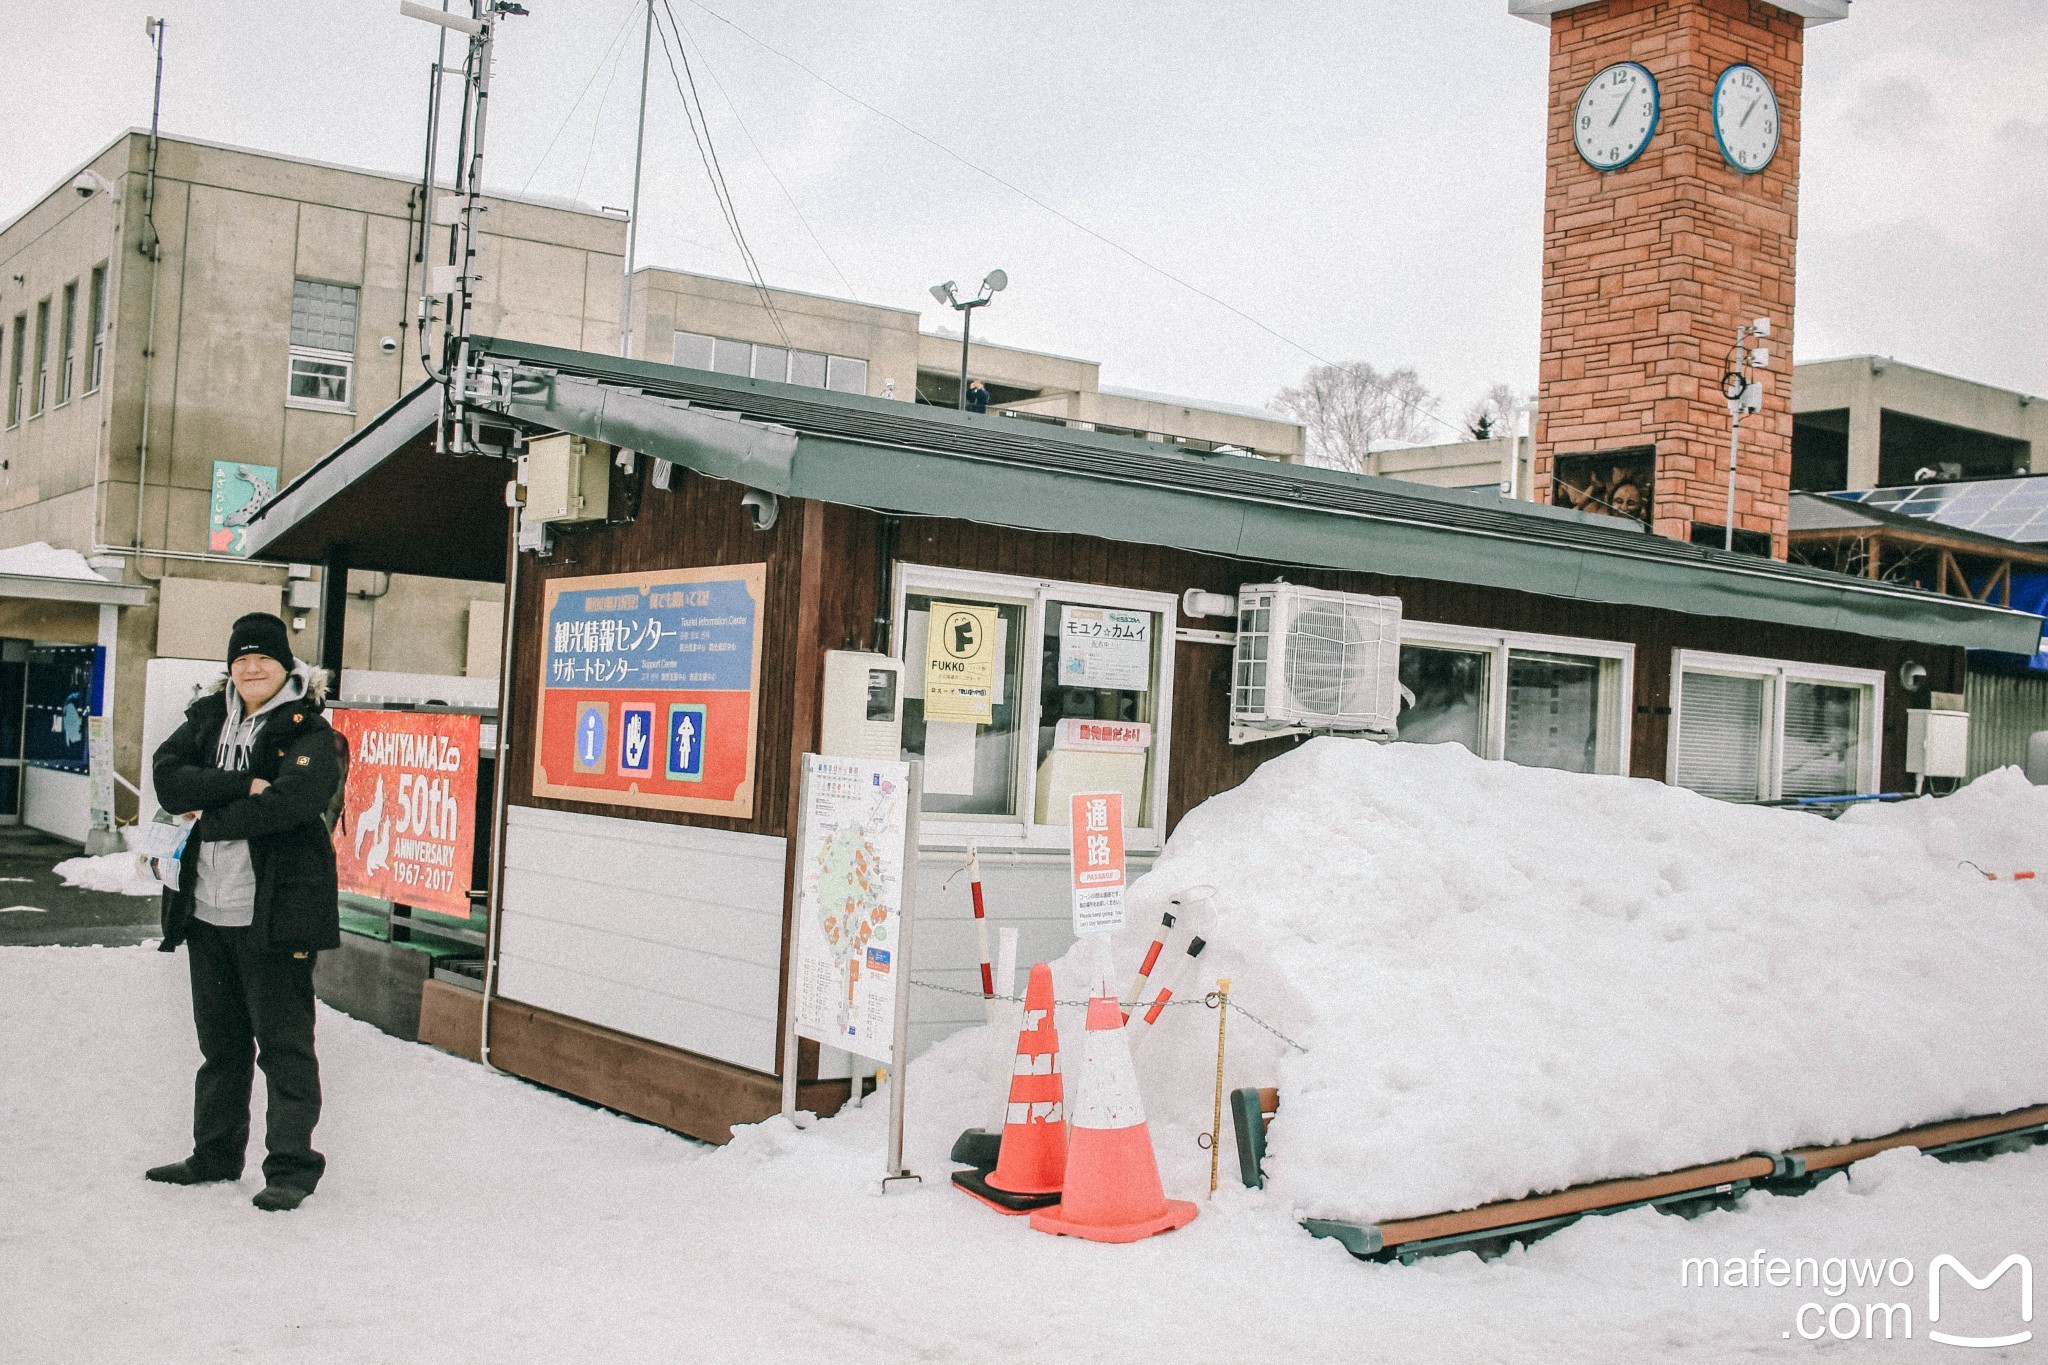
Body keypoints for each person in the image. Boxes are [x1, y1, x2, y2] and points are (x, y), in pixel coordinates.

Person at [146, 613, 342, 1213]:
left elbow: (291, 805)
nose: (252, 668)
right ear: (229, 666)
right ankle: (214, 1155)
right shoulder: (207, 716)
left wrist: (206, 819)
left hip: (276, 917)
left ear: (286, 665)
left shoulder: (309, 729)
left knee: (284, 1048)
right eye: (241, 659)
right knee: (222, 1047)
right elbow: (168, 781)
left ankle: (290, 1169)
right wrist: (242, 784)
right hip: (205, 910)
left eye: (264, 658)